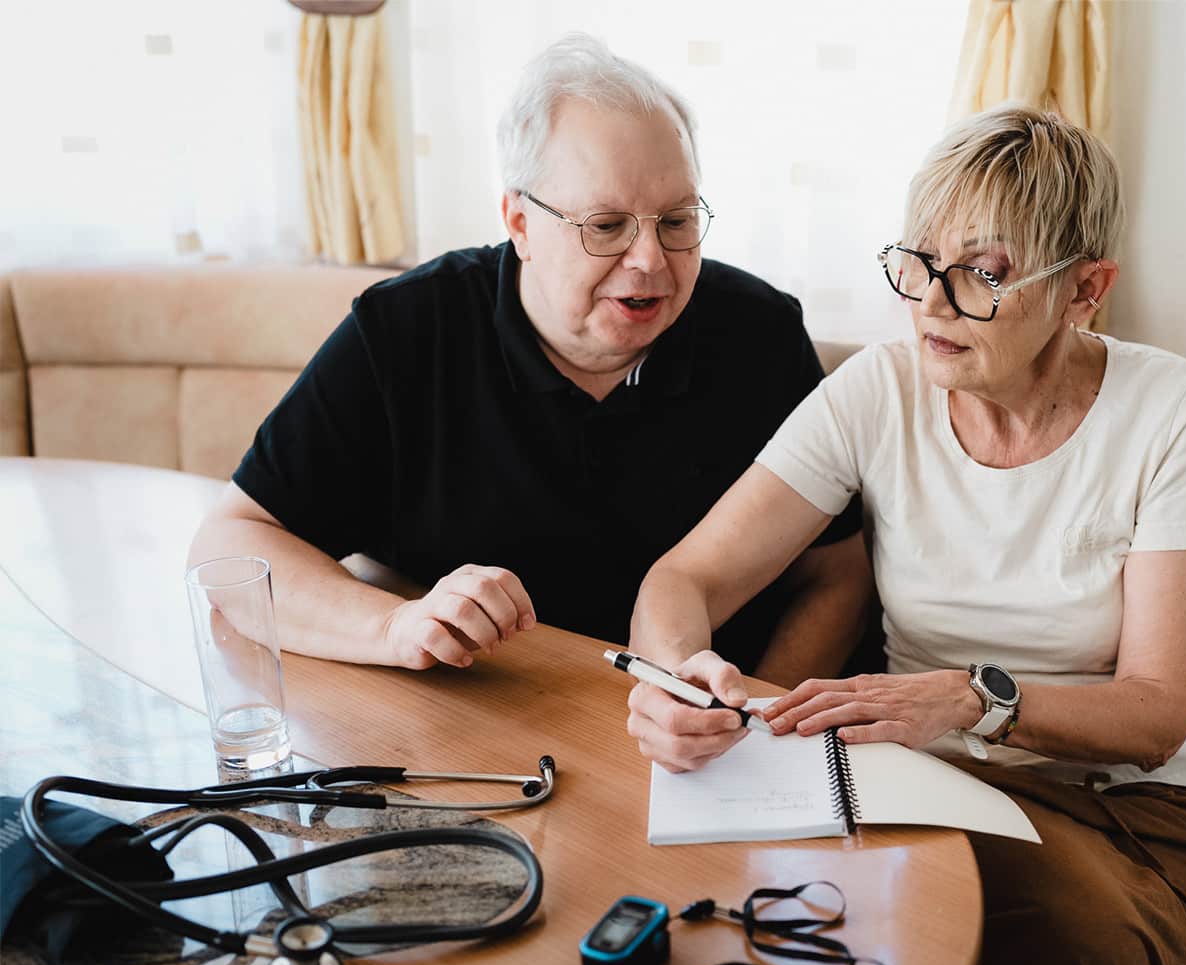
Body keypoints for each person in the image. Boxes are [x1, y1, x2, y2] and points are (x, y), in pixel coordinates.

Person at [624, 105, 1186, 965]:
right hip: (942, 784)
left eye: (984, 274)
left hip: (1158, 803)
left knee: (1096, 949)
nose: (931, 303)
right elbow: (687, 576)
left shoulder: (1172, 411)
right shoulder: (877, 391)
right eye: (918, 262)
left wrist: (970, 696)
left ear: (1086, 289)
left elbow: (1157, 715)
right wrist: (679, 679)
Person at [188, 34, 868, 685]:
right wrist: (395, 628)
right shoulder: (406, 331)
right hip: (471, 721)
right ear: (519, 222)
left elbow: (837, 573)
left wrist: (757, 719)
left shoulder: (759, 333)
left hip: (704, 734)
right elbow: (230, 546)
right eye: (606, 226)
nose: (650, 262)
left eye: (678, 220)